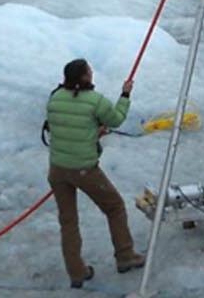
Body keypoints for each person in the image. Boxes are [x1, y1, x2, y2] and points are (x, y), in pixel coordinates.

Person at [45, 59, 145, 289]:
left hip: (58, 169)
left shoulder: (55, 97)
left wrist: (92, 131)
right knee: (115, 207)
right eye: (89, 71)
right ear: (84, 77)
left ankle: (76, 272)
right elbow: (116, 119)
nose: (92, 73)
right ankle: (125, 255)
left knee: (68, 221)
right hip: (84, 170)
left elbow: (64, 124)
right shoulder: (94, 100)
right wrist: (125, 95)